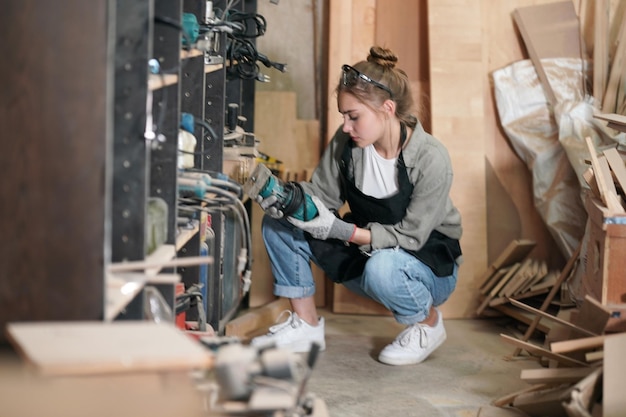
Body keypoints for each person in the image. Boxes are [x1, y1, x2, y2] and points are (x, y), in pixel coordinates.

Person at [250, 46, 463, 366]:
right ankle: (306, 325)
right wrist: (283, 195)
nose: (346, 126)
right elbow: (322, 194)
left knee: (384, 267)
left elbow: (411, 238)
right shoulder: (348, 143)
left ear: (387, 109)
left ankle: (427, 323)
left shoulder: (431, 158)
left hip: (425, 265)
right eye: (343, 117)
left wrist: (340, 230)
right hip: (368, 249)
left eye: (354, 117)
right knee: (279, 223)